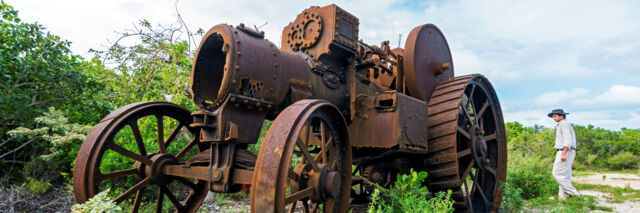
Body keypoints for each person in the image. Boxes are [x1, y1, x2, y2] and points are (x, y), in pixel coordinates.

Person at [548, 109, 580, 200]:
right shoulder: (561, 124)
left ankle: (575, 194)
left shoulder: (564, 124)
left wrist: (564, 154)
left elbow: (567, 140)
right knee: (565, 175)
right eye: (553, 116)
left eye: (555, 116)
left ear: (561, 116)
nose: (554, 118)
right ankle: (562, 197)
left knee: (557, 173)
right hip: (566, 151)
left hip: (565, 151)